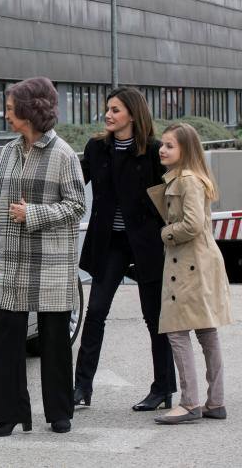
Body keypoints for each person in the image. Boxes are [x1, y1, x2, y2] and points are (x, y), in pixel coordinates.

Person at [0, 77, 86, 436]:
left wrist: (34, 214)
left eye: (10, 109)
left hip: (52, 261)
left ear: (29, 111)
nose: (6, 115)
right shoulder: (8, 152)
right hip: (10, 259)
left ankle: (59, 412)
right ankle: (9, 415)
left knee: (55, 338)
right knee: (8, 338)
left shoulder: (64, 155)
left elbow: (76, 206)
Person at [74, 87, 177, 411]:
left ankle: (163, 388)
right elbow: (76, 184)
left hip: (146, 243)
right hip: (110, 244)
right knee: (96, 312)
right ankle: (81, 387)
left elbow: (173, 197)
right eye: (108, 108)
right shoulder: (96, 148)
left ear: (132, 114)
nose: (108, 114)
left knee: (153, 317)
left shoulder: (153, 152)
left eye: (115, 109)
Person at [147, 123, 232, 424]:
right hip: (198, 262)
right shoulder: (190, 178)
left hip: (189, 265)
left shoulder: (188, 181)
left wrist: (165, 233)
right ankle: (215, 401)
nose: (162, 149)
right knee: (206, 331)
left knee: (177, 330)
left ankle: (190, 402)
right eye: (163, 144)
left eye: (170, 145)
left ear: (186, 149)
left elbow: (193, 224)